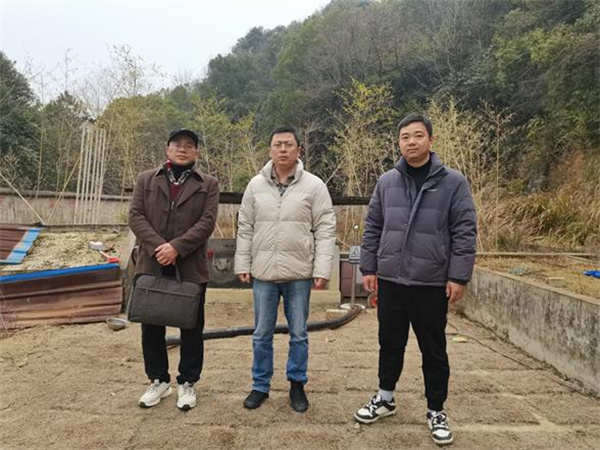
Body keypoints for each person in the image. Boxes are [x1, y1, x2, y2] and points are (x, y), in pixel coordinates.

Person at [354, 114, 477, 446]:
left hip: (431, 282)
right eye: (405, 137)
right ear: (399, 143)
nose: (411, 142)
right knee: (389, 343)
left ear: (431, 141)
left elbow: (464, 231)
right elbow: (373, 227)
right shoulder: (387, 182)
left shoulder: (453, 182)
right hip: (392, 280)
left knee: (433, 349)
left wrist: (458, 275)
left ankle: (436, 410)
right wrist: (369, 268)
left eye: (418, 135)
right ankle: (385, 398)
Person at [235, 126, 336, 413]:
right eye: (277, 144)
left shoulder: (314, 186)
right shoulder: (255, 185)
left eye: (288, 144)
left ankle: (297, 384)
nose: (282, 149)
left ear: (298, 150)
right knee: (261, 333)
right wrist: (243, 263)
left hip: (299, 274)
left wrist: (322, 268)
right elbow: (245, 226)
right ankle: (260, 385)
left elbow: (325, 228)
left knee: (299, 334)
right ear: (270, 150)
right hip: (264, 273)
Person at [129, 128, 219, 411]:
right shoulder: (146, 179)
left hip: (190, 265)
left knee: (191, 326)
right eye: (177, 144)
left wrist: (177, 248)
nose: (183, 149)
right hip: (152, 262)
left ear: (196, 152)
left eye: (189, 145)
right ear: (167, 149)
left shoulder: (208, 184)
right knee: (151, 324)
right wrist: (160, 247)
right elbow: (136, 216)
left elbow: (207, 222)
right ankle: (159, 380)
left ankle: (188, 381)